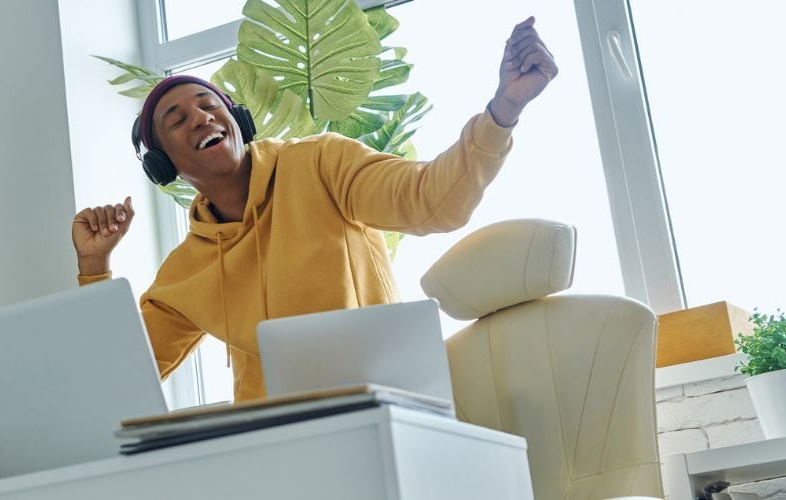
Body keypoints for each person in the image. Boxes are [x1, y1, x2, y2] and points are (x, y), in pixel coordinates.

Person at [72, 17, 558, 402]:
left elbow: (432, 201)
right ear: (164, 164)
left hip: (384, 410)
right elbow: (118, 378)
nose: (201, 116)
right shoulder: (186, 271)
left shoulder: (322, 162)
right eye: (176, 120)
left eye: (208, 104)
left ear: (237, 119)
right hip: (275, 449)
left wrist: (504, 109)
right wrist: (94, 267)